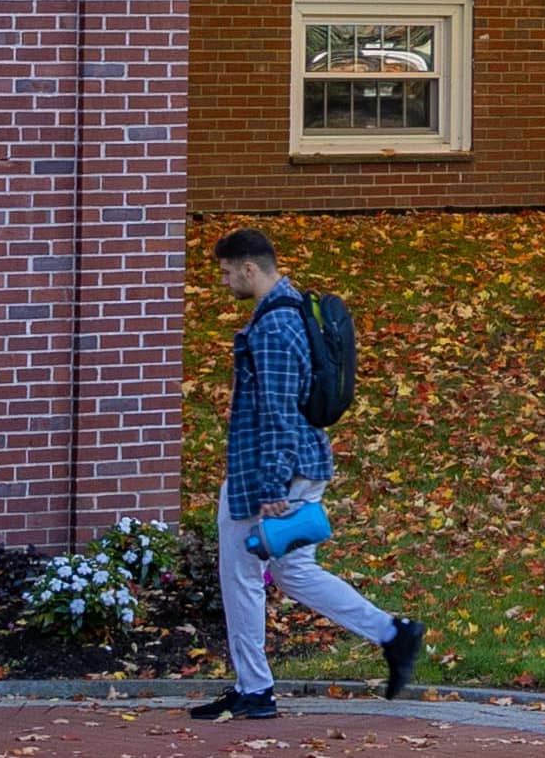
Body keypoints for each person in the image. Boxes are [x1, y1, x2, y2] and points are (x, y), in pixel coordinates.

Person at [187, 228, 423, 720]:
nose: (225, 281)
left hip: (267, 474)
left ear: (250, 268)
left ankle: (255, 689)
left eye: (228, 271)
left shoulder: (273, 327)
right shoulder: (296, 310)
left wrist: (270, 486)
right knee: (295, 572)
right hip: (303, 465)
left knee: (241, 577)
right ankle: (393, 633)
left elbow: (278, 412)